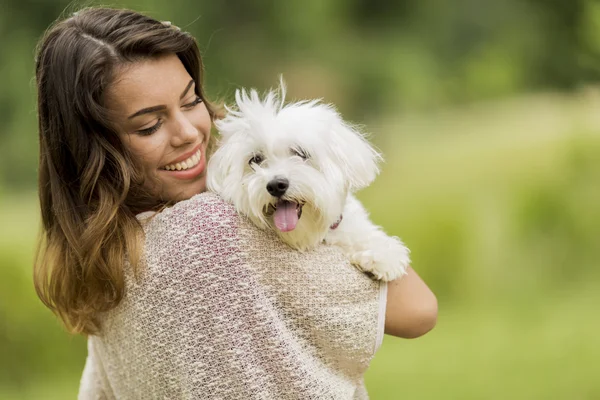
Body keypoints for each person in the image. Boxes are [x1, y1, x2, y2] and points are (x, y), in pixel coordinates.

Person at [33, 7, 437, 399]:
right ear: (93, 150)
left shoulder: (103, 257)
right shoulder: (209, 231)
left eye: (191, 101)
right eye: (150, 125)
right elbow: (418, 310)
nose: (189, 132)